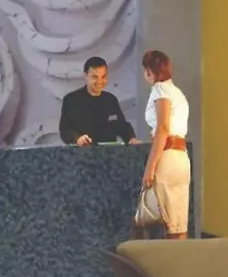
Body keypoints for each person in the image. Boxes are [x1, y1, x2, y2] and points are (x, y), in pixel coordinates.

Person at [140, 50, 190, 239]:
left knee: (163, 222)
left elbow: (162, 128)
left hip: (167, 157)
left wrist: (150, 167)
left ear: (149, 71)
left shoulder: (160, 90)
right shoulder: (178, 92)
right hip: (181, 158)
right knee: (178, 223)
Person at [59, 57, 138, 146]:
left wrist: (131, 138)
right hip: (82, 151)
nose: (100, 81)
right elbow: (65, 130)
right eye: (95, 77)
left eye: (103, 77)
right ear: (86, 76)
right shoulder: (71, 100)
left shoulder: (111, 100)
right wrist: (77, 138)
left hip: (109, 152)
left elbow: (122, 126)